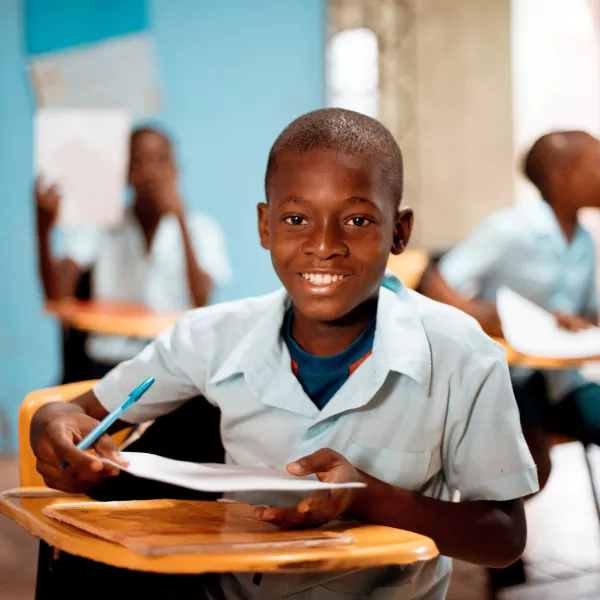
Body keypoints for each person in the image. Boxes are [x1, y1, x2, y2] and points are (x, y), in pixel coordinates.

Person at [30, 109, 537, 599]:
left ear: (399, 231)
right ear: (265, 225)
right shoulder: (211, 336)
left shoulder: (462, 355)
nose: (324, 245)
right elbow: (78, 413)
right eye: (297, 218)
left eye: (358, 220)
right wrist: (52, 424)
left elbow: (504, 538)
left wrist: (371, 497)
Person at [420, 131, 600, 493]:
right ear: (563, 175)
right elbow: (437, 286)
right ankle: (502, 544)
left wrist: (577, 322)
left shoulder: (584, 241)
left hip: (561, 381)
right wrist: (490, 318)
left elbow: (591, 314)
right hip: (511, 381)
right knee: (530, 465)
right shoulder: (509, 229)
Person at [35, 126, 231, 378]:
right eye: (139, 162)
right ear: (125, 173)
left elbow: (202, 298)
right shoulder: (100, 226)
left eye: (161, 160)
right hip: (107, 363)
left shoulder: (202, 229)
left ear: (175, 169)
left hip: (172, 364)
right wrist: (43, 227)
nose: (150, 171)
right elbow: (57, 296)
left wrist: (180, 219)